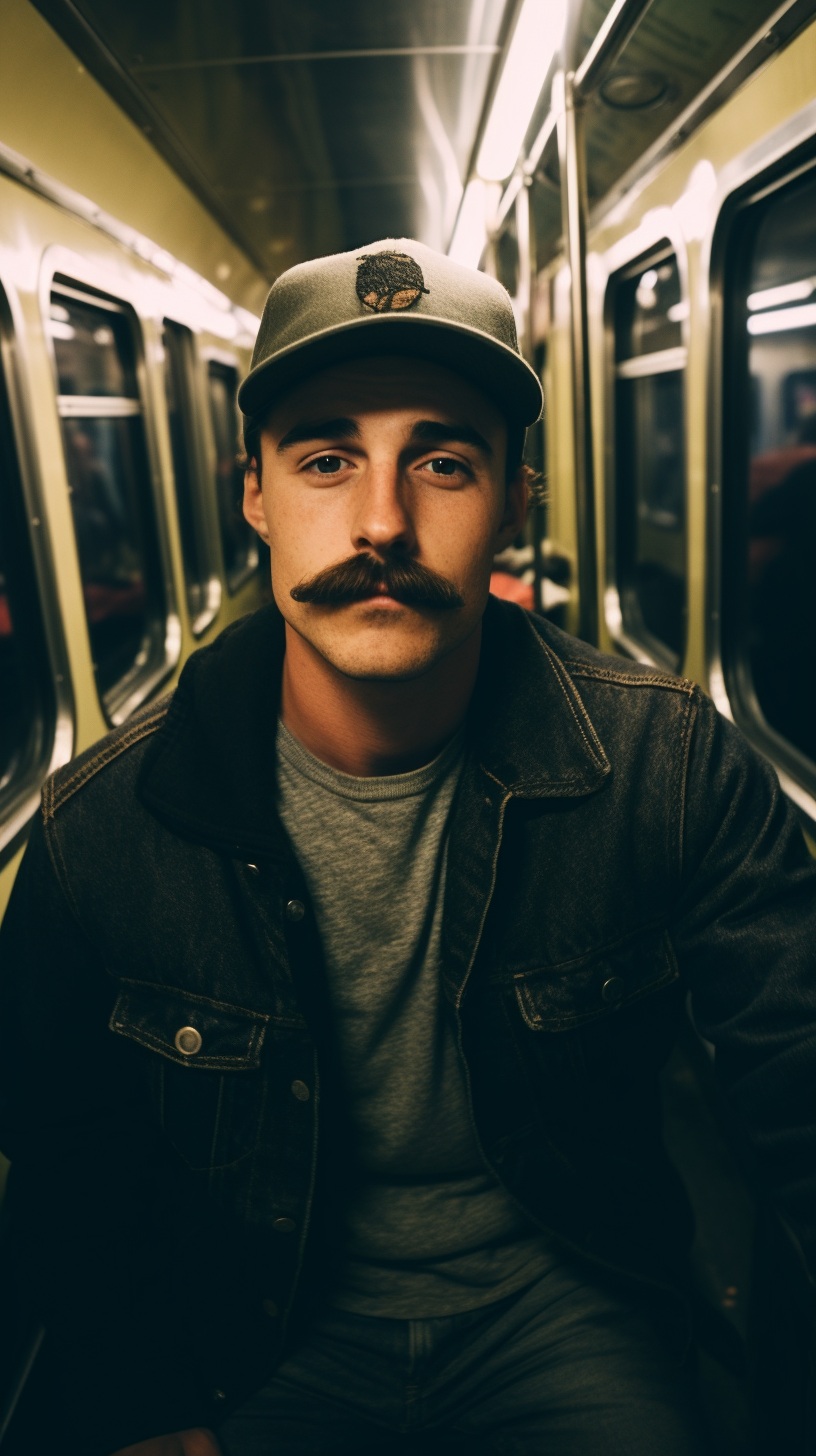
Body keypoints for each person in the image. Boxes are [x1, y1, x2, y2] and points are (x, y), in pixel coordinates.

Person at [0, 239, 814, 1456]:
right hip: (250, 1332)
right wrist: (137, 1392)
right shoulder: (101, 828)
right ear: (256, 497)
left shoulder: (670, 768)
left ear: (516, 499)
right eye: (328, 458)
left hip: (561, 1295)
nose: (381, 519)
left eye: (442, 459)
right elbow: (64, 1148)